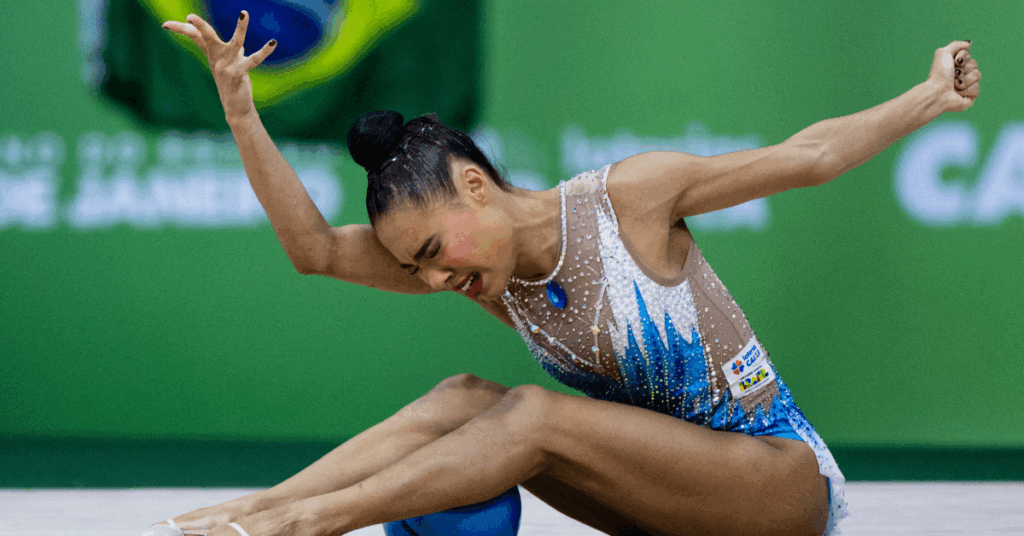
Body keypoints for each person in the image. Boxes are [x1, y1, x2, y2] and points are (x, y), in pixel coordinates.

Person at [155, 10, 980, 536]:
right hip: (665, 500)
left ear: (474, 186)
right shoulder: (490, 279)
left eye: (435, 254)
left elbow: (809, 157)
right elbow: (315, 251)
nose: (434, 281)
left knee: (535, 415)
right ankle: (251, 512)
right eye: (416, 268)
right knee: (463, 399)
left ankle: (304, 526)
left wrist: (929, 95)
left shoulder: (630, 200)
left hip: (776, 486)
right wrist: (239, 108)